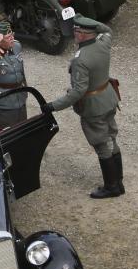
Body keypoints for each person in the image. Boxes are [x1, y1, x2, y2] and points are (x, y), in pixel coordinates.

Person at [42, 15, 124, 199]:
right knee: (111, 138)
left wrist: (53, 106)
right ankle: (118, 181)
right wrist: (87, 20)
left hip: (94, 108)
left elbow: (78, 92)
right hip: (109, 98)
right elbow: (106, 29)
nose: (74, 33)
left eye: (76, 30)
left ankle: (112, 187)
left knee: (102, 144)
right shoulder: (103, 42)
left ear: (81, 34)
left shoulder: (81, 60)